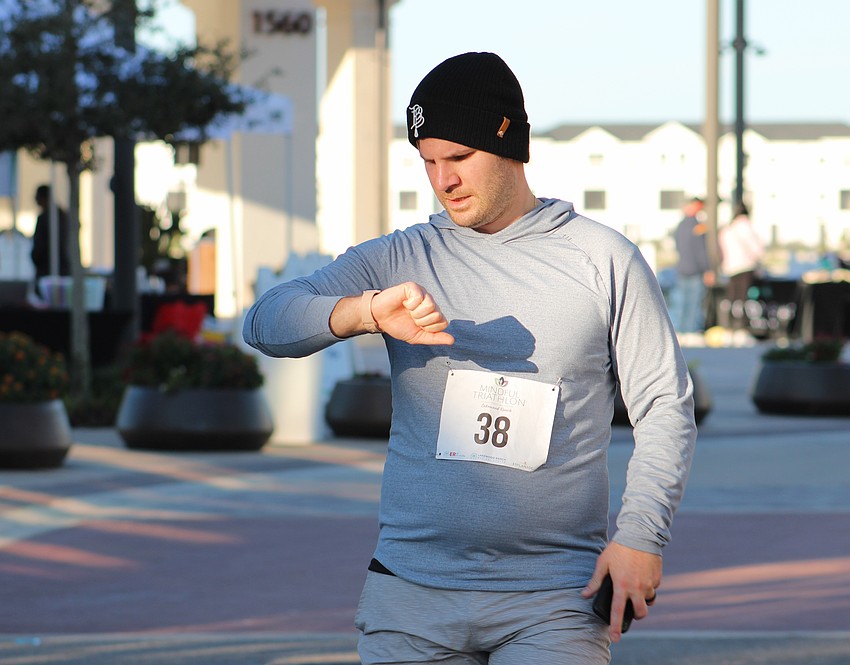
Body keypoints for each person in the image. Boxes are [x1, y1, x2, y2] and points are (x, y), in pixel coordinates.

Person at [244, 52, 696, 664]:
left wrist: (642, 535)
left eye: (459, 157)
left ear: (510, 142)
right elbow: (266, 320)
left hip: (554, 599)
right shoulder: (403, 257)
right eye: (428, 161)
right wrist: (367, 312)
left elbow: (665, 406)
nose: (443, 179)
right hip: (410, 595)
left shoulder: (603, 258)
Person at [718, 202, 764, 339]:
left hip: (730, 267)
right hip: (745, 266)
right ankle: (741, 327)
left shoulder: (728, 229)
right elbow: (757, 249)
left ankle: (730, 326)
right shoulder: (746, 226)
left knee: (733, 297)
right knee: (743, 298)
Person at [669, 197, 713, 340]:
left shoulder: (680, 226)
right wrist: (707, 269)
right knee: (694, 304)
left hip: (682, 269)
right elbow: (701, 250)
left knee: (681, 303)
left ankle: (680, 332)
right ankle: (691, 332)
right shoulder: (697, 226)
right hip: (695, 270)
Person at [30, 184, 71, 296]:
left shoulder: (45, 218)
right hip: (65, 269)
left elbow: (39, 247)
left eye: (37, 197)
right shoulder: (64, 216)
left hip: (48, 270)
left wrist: (36, 258)